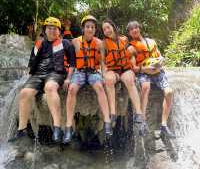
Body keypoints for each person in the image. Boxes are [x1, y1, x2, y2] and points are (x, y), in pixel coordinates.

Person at [8, 17, 76, 144]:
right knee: (24, 93)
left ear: (59, 31)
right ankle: (21, 129)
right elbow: (32, 64)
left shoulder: (65, 43)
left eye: (55, 28)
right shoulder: (39, 44)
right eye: (49, 28)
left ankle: (56, 127)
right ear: (44, 30)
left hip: (56, 73)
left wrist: (68, 78)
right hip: (38, 74)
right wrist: (29, 78)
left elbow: (72, 64)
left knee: (50, 87)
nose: (52, 30)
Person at [64, 15, 112, 144]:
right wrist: (68, 78)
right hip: (79, 72)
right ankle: (68, 126)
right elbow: (72, 61)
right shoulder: (75, 41)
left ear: (95, 29)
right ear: (83, 28)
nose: (89, 29)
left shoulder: (100, 43)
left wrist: (103, 75)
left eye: (92, 27)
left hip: (93, 72)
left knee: (100, 88)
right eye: (87, 27)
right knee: (72, 89)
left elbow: (102, 62)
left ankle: (107, 122)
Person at [127, 21, 175, 138]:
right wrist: (145, 69)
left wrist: (160, 62)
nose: (135, 30)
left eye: (136, 27)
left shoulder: (151, 42)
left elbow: (160, 56)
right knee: (145, 87)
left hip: (158, 72)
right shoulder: (131, 48)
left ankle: (164, 125)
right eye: (131, 29)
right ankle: (142, 122)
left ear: (139, 28)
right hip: (144, 74)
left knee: (169, 92)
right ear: (129, 33)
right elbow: (134, 68)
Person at [102, 19, 147, 136]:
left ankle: (138, 113)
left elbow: (131, 55)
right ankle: (112, 113)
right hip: (113, 70)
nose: (107, 30)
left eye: (108, 27)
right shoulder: (104, 43)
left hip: (126, 69)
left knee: (129, 80)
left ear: (113, 27)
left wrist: (133, 68)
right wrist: (103, 74)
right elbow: (103, 62)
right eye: (104, 29)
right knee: (109, 80)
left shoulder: (125, 39)